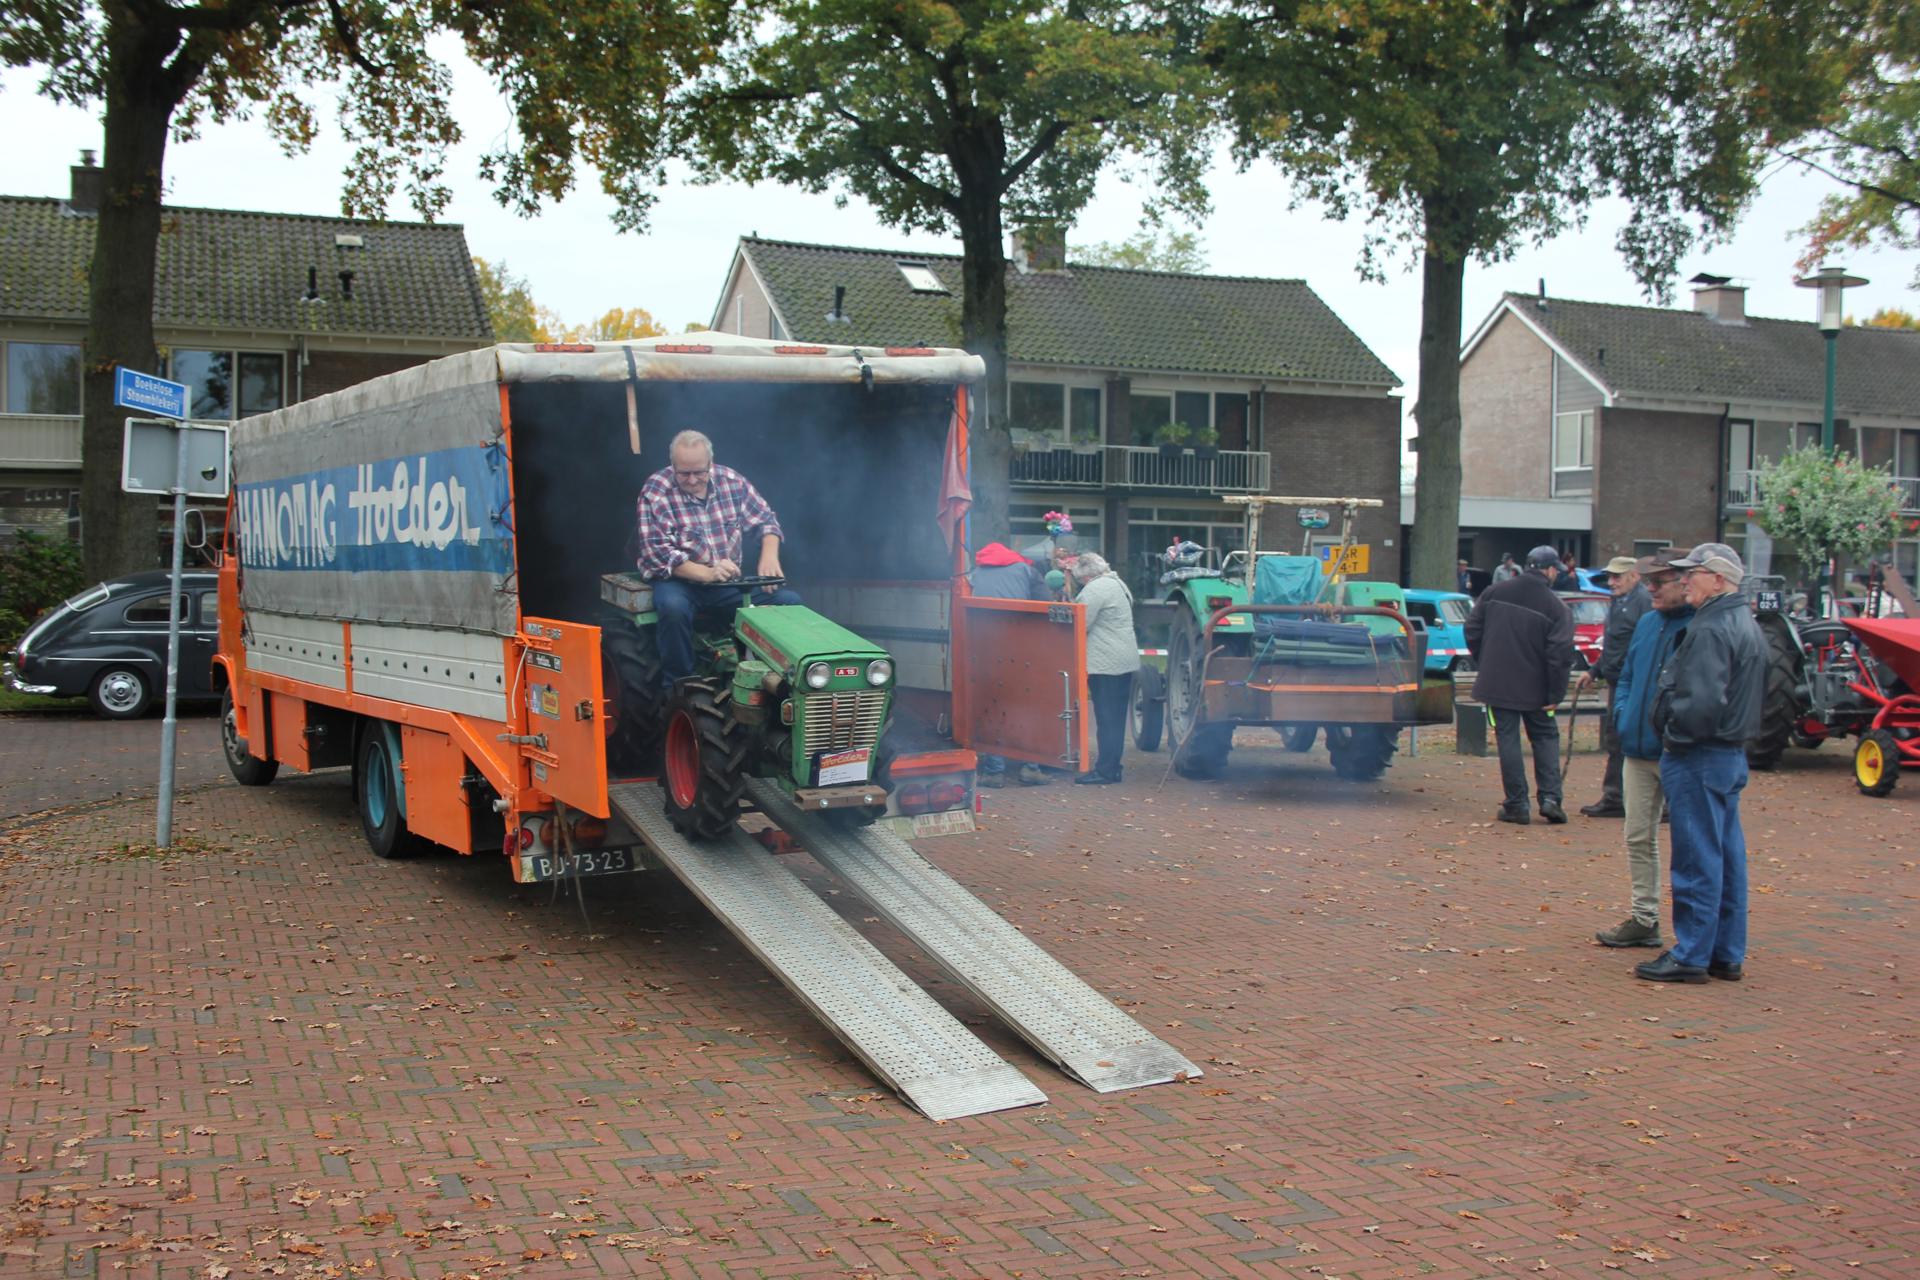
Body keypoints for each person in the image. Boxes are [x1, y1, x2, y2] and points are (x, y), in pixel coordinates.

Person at [1637, 542, 1764, 984]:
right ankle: (1724, 951)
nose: (1684, 580)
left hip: (1699, 753)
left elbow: (1701, 701)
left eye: (1693, 573)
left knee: (1696, 856)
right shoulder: (1742, 621)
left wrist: (1675, 738)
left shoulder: (1711, 627)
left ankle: (1691, 953)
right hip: (1726, 753)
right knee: (1725, 856)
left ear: (1718, 579)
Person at [635, 430, 802, 687]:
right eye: (684, 473)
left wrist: (769, 555)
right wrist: (707, 573)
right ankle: (680, 687)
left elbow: (766, 521)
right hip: (679, 583)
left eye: (699, 472)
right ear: (673, 465)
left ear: (710, 464)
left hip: (726, 584)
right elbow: (657, 554)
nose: (692, 480)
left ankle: (778, 683)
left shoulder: (732, 481)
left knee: (789, 602)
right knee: (673, 609)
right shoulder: (655, 490)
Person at [1594, 550, 1690, 949]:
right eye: (1649, 581)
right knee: (1637, 836)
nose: (1651, 588)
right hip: (1637, 749)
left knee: (1690, 844)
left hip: (1678, 752)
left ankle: (1694, 931)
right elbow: (1629, 675)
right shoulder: (1649, 622)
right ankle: (1644, 917)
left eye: (1660, 581)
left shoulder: (1699, 626)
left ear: (1685, 582)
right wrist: (1623, 713)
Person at [1463, 544, 1576, 825]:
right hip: (1538, 689)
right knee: (1545, 738)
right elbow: (1560, 654)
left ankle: (1517, 804)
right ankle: (1550, 799)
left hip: (1497, 684)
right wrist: (1555, 693)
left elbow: (1471, 629)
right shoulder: (1557, 607)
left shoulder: (1494, 592)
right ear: (1550, 571)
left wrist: (1485, 660)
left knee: (1508, 740)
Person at [969, 539, 1051, 787]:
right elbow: (1047, 606)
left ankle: (994, 772)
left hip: (985, 649)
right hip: (1021, 649)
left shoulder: (975, 573)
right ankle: (1031, 768)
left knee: (993, 709)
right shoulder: (1026, 571)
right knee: (1026, 709)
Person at [1577, 554, 1650, 818]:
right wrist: (1594, 671)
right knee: (1616, 739)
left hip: (1633, 685)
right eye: (1610, 577)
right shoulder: (1620, 601)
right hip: (1618, 681)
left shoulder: (1644, 603)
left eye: (1617, 577)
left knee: (1626, 739)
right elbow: (1614, 645)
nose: (1611, 582)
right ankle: (1616, 796)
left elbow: (1643, 646)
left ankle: (1626, 798)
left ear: (1634, 576)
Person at [1069, 553, 1139, 785]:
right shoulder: (1117, 583)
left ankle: (1106, 770)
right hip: (1123, 660)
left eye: (1080, 579)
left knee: (1106, 719)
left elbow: (1079, 622)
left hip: (1106, 663)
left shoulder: (1095, 589)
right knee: (1116, 719)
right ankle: (1113, 767)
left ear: (1086, 575)